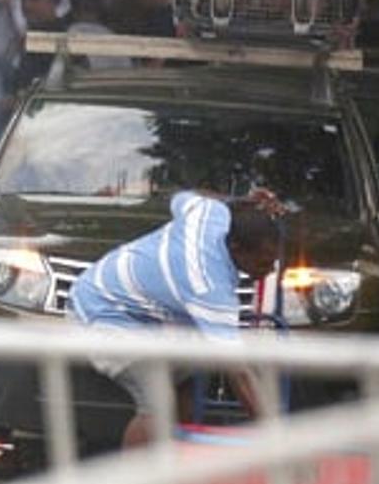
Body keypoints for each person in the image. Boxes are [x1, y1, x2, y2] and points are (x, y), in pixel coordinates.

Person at [67, 191, 286, 449]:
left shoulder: (211, 213)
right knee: (158, 404)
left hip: (140, 314)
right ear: (236, 249)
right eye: (263, 263)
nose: (270, 271)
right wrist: (278, 439)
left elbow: (181, 197)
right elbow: (238, 371)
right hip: (101, 312)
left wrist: (239, 201)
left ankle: (172, 457)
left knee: (191, 370)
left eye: (273, 262)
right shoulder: (207, 286)